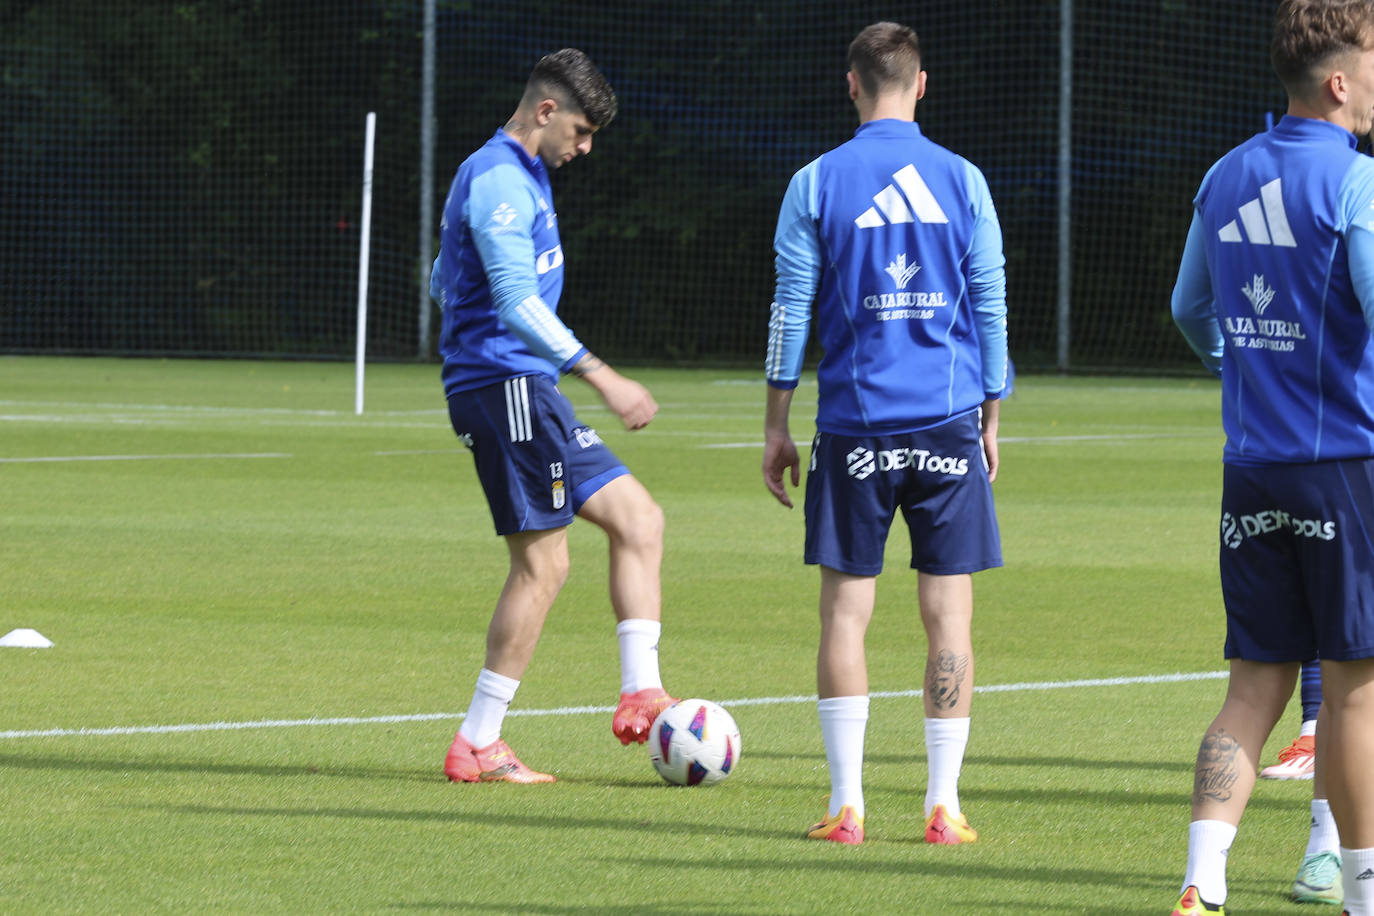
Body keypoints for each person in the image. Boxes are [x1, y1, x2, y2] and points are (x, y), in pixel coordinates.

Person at [762, 21, 1008, 846]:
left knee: (845, 617)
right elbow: (991, 305)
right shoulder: (963, 179)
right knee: (950, 619)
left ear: (852, 84)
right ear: (922, 84)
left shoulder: (816, 182)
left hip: (855, 426)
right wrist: (991, 411)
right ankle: (944, 806)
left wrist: (776, 422)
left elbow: (791, 309)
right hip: (946, 422)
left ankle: (847, 807)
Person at [1168, 1, 1374, 912]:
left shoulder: (1225, 173)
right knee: (1359, 694)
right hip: (1345, 467)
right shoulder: (1356, 185)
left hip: (1249, 465)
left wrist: (1249, 364)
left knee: (1254, 684)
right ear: (1339, 82)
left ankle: (1200, 883)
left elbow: (1189, 307)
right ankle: (1364, 891)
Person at [430, 48, 675, 784]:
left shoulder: (518, 173)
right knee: (544, 564)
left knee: (639, 520)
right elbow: (512, 297)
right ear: (545, 112)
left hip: (525, 386)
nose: (586, 145)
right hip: (508, 387)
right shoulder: (500, 178)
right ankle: (478, 740)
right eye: (582, 128)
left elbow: (445, 280)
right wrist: (600, 373)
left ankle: (642, 691)